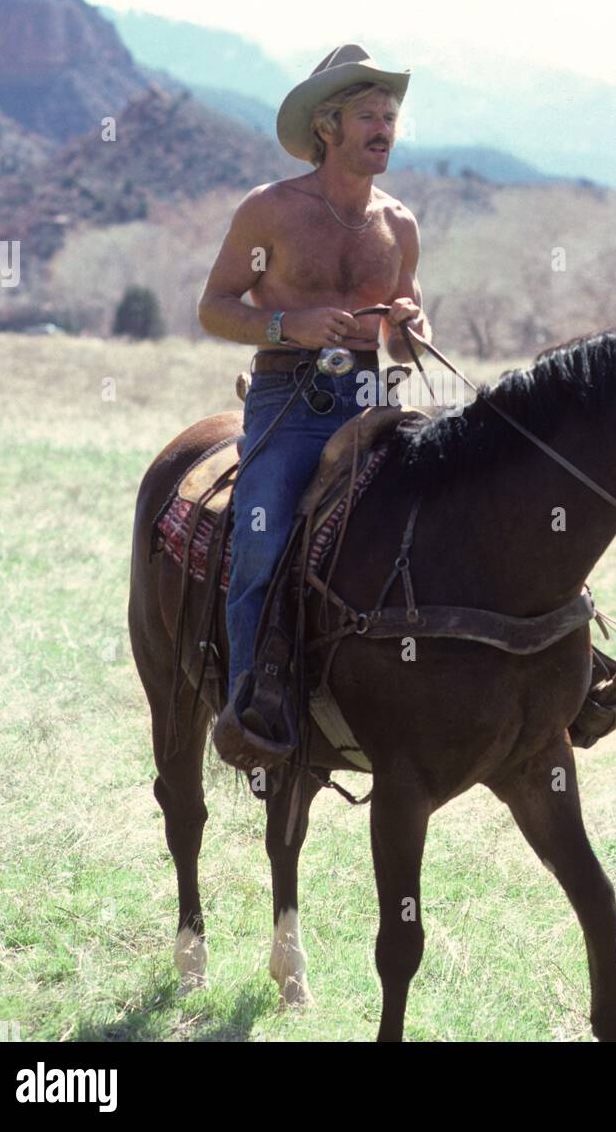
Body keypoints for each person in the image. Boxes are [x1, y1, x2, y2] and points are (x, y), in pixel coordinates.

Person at [196, 44, 431, 768]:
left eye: (390, 116)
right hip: (287, 400)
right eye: (369, 115)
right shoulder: (270, 210)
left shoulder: (401, 224)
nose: (384, 127)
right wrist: (285, 326)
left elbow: (409, 339)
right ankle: (249, 710)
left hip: (370, 398)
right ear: (328, 126)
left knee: (456, 501)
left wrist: (411, 332)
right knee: (263, 533)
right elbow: (213, 308)